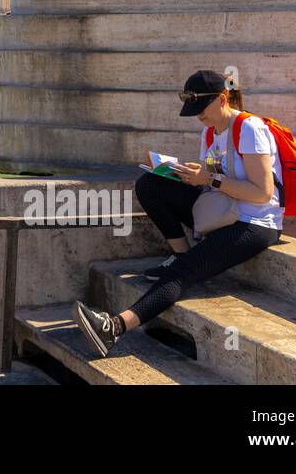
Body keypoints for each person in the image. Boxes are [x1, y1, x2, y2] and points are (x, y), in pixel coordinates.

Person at [73, 70, 284, 357]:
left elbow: (262, 193)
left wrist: (209, 179)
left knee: (182, 273)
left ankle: (114, 329)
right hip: (223, 209)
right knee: (150, 184)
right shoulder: (210, 131)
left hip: (255, 222)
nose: (199, 116)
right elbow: (215, 172)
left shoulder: (250, 129)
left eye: (202, 108)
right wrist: (191, 172)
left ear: (223, 99)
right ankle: (181, 252)